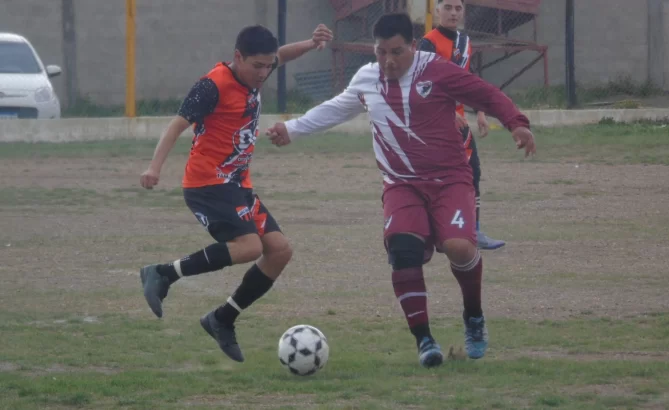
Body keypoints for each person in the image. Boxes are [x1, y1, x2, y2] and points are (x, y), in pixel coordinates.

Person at [266, 13, 535, 367]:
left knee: (459, 246)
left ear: (412, 46)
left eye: (396, 52)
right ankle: (425, 341)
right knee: (402, 249)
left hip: (450, 179)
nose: (388, 61)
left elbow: (485, 94)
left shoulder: (435, 71)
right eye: (380, 52)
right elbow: (336, 109)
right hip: (401, 183)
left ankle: (473, 316)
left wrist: (517, 123)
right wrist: (294, 128)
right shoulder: (367, 79)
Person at [137, 24, 333, 363]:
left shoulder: (259, 69)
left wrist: (309, 43)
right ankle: (162, 273)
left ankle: (222, 319)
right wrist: (154, 168)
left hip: (237, 184)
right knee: (249, 247)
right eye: (257, 66)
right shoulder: (212, 86)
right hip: (207, 184)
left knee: (279, 252)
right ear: (237, 57)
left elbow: (280, 56)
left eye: (267, 66)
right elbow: (177, 125)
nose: (263, 73)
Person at [419, 0, 505, 251]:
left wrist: (480, 111)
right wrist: (445, 113)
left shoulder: (465, 42)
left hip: (459, 123)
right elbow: (422, 85)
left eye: (458, 8)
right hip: (434, 124)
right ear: (437, 11)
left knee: (472, 172)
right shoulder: (428, 43)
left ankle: (474, 231)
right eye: (448, 7)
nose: (453, 13)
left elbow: (468, 81)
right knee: (434, 178)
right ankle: (428, 233)